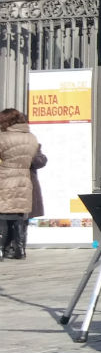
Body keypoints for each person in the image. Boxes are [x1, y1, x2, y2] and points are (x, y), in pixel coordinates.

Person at [0, 109, 41, 261]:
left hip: (5, 178)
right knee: (19, 215)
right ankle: (20, 250)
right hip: (24, 179)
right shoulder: (31, 138)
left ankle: (2, 250)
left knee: (2, 215)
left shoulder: (3, 137)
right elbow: (35, 159)